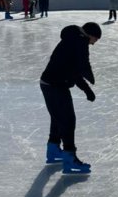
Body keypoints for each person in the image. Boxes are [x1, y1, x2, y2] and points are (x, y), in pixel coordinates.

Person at [39, 22, 102, 173]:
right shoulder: (80, 41)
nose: (93, 44)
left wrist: (87, 89)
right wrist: (88, 88)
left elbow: (73, 70)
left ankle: (53, 151)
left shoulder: (72, 39)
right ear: (91, 35)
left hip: (48, 83)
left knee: (57, 118)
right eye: (95, 40)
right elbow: (81, 67)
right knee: (68, 121)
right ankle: (69, 159)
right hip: (55, 85)